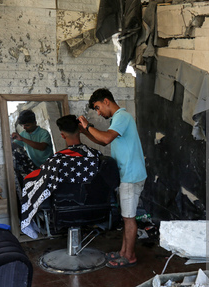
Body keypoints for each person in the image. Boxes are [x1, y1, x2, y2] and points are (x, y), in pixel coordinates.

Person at [78, 88, 147, 268]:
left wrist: (87, 126)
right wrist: (85, 133)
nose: (99, 113)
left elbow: (106, 138)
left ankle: (129, 256)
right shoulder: (118, 120)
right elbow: (102, 141)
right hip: (127, 175)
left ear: (106, 101)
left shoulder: (122, 117)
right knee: (126, 218)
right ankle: (123, 252)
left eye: (98, 107)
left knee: (129, 218)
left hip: (131, 176)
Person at [20, 115, 102, 239]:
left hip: (63, 208)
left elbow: (36, 182)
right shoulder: (96, 156)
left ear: (62, 135)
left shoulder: (57, 160)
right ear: (80, 130)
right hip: (95, 205)